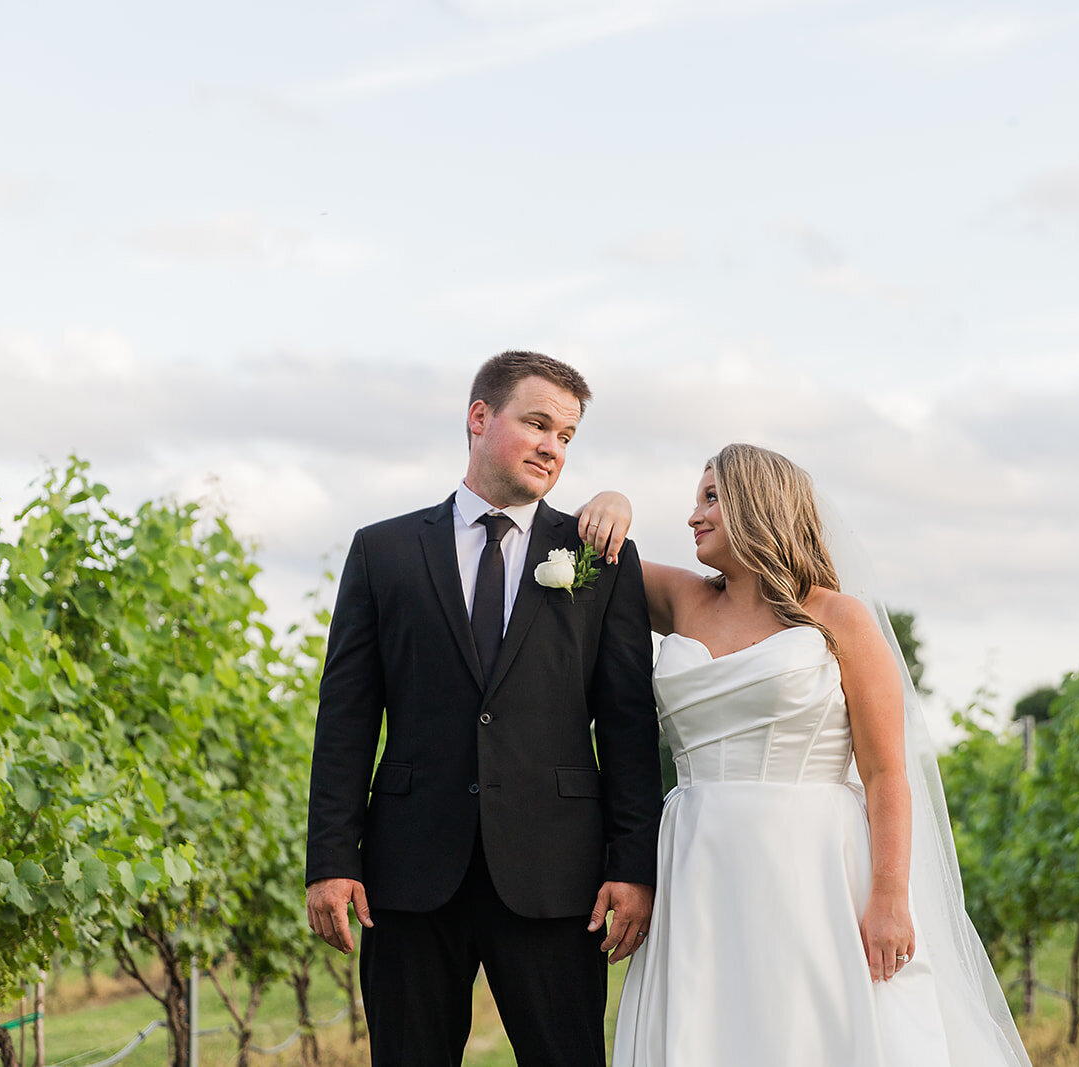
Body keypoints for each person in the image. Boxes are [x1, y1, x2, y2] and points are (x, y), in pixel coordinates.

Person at [576, 442, 1031, 1066]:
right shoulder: (684, 598)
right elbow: (598, 558)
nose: (692, 516)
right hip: (695, 857)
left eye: (711, 498)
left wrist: (891, 896)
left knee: (808, 1028)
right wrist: (612, 502)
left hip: (813, 862)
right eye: (695, 499)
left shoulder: (839, 616)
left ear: (758, 505)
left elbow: (884, 771)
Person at [305, 351, 664, 1067]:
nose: (552, 447)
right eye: (537, 423)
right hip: (409, 874)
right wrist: (330, 857)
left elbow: (627, 725)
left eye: (565, 435)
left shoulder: (599, 559)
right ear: (479, 418)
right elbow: (346, 714)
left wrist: (634, 863)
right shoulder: (382, 552)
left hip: (555, 875)